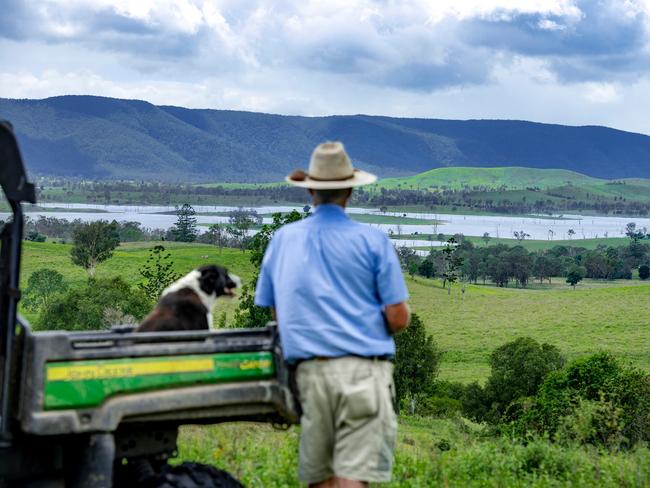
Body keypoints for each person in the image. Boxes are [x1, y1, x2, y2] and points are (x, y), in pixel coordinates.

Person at [254, 141, 410, 487]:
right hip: (362, 373)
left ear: (310, 188)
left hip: (309, 374)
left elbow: (278, 312)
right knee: (352, 476)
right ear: (350, 190)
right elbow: (398, 317)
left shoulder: (282, 239)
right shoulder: (372, 241)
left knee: (320, 478)